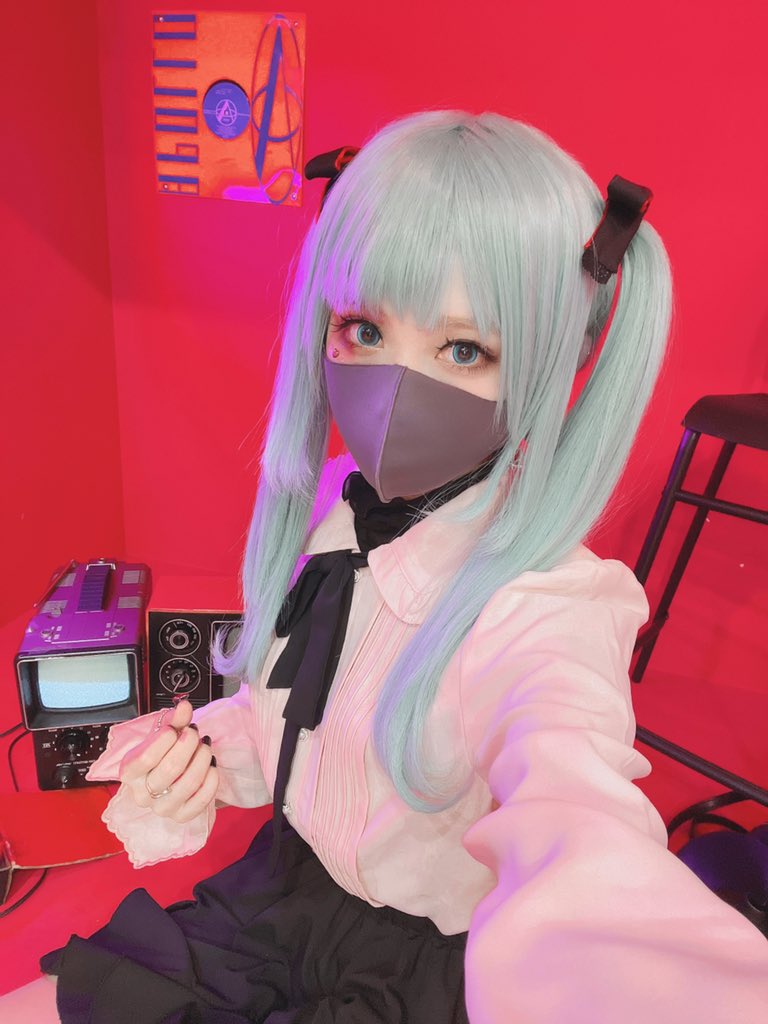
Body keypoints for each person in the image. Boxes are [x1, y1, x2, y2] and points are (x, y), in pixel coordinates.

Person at [5, 109, 768, 1023]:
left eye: (463, 349)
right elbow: (302, 717)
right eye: (364, 329)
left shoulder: (548, 606)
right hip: (281, 895)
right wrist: (205, 753)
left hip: (426, 966)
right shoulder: (337, 507)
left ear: (541, 369)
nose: (396, 387)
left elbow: (574, 802)